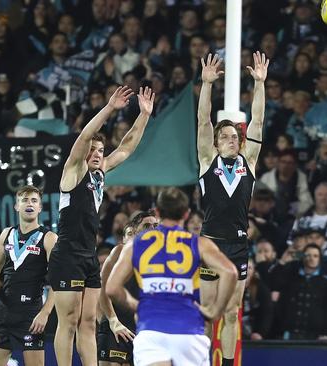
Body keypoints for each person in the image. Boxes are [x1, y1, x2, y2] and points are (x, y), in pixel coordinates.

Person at [48, 85, 156, 366]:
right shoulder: (73, 172)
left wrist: (143, 115)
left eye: (101, 150)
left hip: (88, 256)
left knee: (87, 322)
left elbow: (127, 146)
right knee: (68, 321)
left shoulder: (100, 173)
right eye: (93, 150)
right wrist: (109, 108)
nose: (97, 153)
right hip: (68, 254)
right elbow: (84, 137)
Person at [105, 187, 237, 366]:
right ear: (186, 213)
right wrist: (214, 311)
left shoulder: (135, 244)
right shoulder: (199, 243)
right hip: (190, 332)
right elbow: (230, 272)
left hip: (152, 331)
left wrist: (138, 306)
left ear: (158, 212)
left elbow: (112, 288)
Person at [196, 51, 268, 366]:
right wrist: (207, 84)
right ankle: (197, 359)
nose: (231, 140)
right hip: (210, 242)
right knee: (208, 311)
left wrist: (260, 84)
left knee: (230, 311)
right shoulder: (205, 159)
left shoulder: (247, 162)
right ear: (214, 143)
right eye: (224, 137)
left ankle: (226, 364)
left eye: (234, 136)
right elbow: (203, 119)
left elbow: (259, 120)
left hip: (238, 245)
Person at [0, 186, 57, 366]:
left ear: (40, 208)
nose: (29, 204)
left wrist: (45, 313)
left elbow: (58, 280)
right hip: (3, 312)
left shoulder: (49, 238)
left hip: (31, 316)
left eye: (34, 200)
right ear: (16, 206)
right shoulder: (7, 234)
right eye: (24, 200)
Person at [97, 210, 158, 366]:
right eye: (147, 225)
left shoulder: (162, 257)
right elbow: (102, 288)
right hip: (117, 326)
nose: (152, 229)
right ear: (136, 229)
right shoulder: (119, 252)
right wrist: (113, 321)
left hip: (143, 330)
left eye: (155, 225)